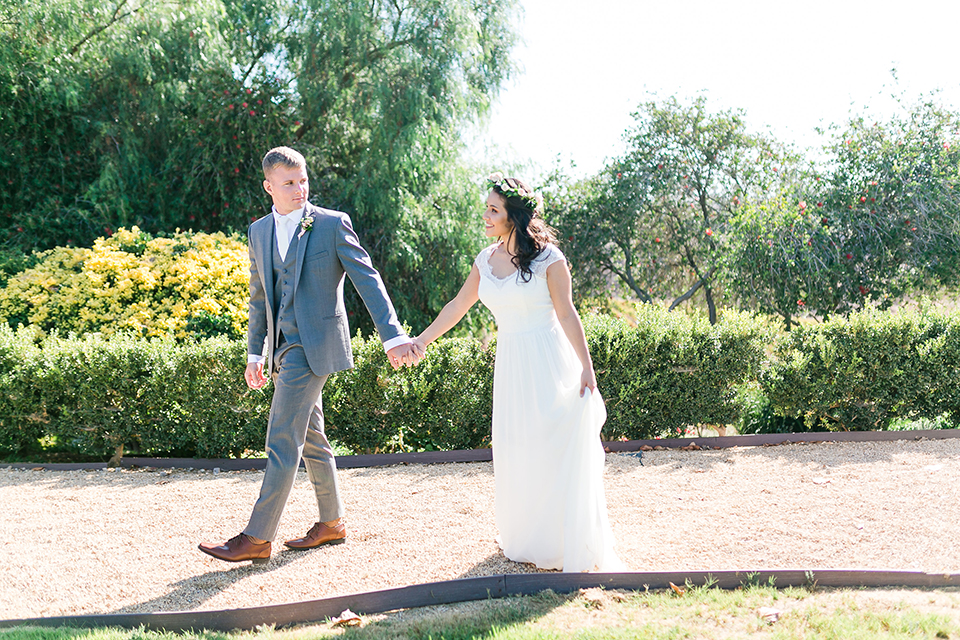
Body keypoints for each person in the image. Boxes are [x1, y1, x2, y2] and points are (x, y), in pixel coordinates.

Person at [199, 147, 420, 564]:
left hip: (314, 344)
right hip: (283, 348)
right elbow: (260, 297)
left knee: (282, 438)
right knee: (312, 437)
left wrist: (392, 336)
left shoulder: (332, 225)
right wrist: (255, 352)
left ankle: (257, 537)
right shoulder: (259, 231)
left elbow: (367, 280)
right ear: (269, 186)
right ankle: (332, 522)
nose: (299, 190)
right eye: (289, 183)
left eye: (303, 181)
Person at [411, 173, 622, 572]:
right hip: (511, 366)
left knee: (551, 446)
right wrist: (421, 340)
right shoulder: (484, 260)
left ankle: (562, 540)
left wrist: (587, 368)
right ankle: (527, 538)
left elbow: (566, 313)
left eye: (494, 209)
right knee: (517, 448)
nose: (486, 215)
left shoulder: (550, 259)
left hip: (548, 361)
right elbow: (458, 306)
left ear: (514, 215)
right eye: (487, 208)